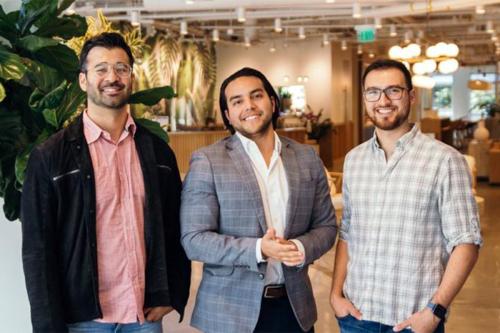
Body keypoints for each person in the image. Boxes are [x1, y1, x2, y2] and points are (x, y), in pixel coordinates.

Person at [21, 32, 191, 333]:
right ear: (83, 80)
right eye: (101, 69)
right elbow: (37, 249)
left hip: (143, 317)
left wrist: (172, 293)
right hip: (83, 320)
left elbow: (176, 228)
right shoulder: (50, 157)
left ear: (132, 78)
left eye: (121, 68)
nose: (112, 77)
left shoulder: (158, 152)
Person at [330, 59, 482, 333]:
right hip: (356, 316)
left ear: (411, 96)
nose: (383, 100)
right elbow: (348, 232)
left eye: (394, 91)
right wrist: (335, 295)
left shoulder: (445, 160)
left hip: (412, 322)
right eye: (373, 92)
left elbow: (467, 242)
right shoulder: (354, 160)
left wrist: (435, 311)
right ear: (365, 98)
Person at [180, 67, 337, 333]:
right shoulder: (208, 160)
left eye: (256, 96)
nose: (249, 106)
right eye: (237, 101)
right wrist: (259, 249)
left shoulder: (306, 157)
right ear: (228, 114)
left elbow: (327, 227)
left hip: (294, 309)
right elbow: (194, 241)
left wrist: (299, 247)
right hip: (230, 314)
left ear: (272, 102)